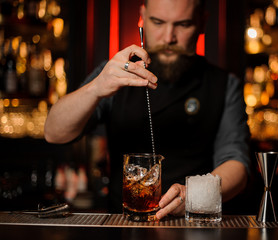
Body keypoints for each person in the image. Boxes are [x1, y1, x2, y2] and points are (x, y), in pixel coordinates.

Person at [44, 0, 251, 219]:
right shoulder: (114, 73)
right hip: (124, 224)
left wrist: (195, 195)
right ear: (142, 17)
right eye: (158, 22)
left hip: (196, 224)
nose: (169, 37)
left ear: (202, 23)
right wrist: (95, 88)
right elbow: (54, 133)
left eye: (183, 24)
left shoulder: (224, 85)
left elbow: (236, 164)